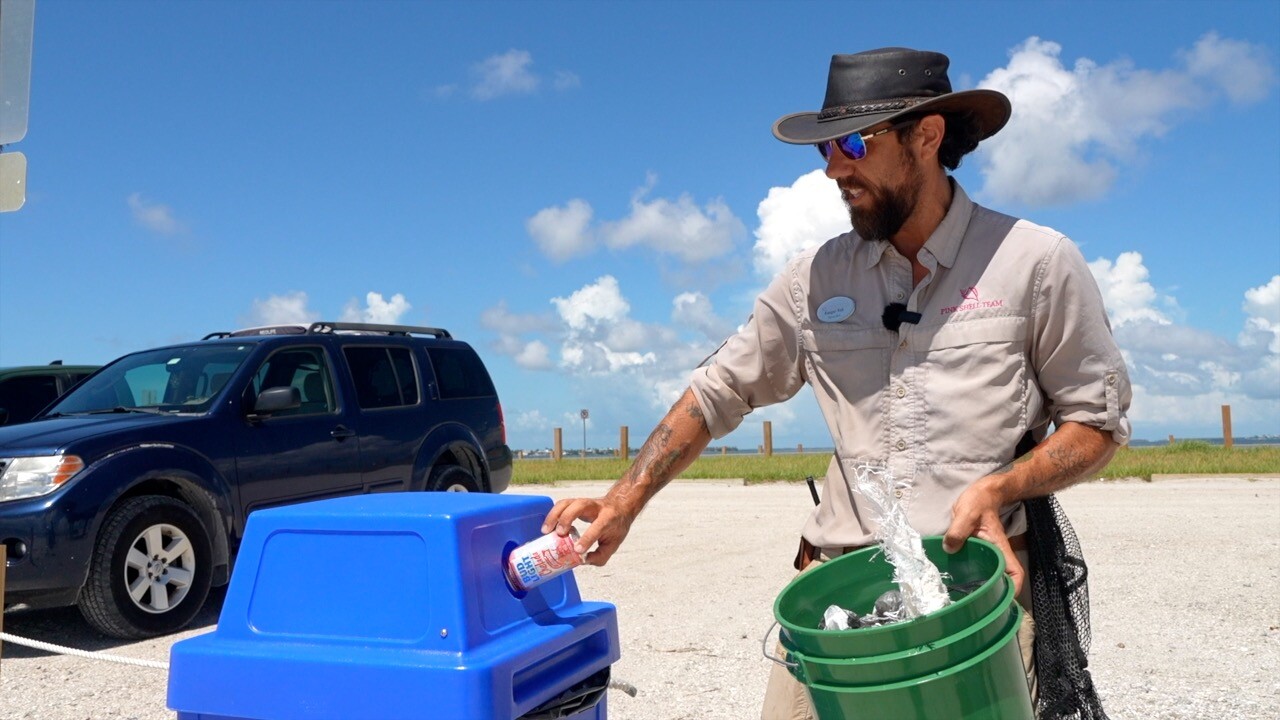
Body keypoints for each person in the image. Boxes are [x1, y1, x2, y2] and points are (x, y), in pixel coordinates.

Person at [542, 47, 1132, 720]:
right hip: (836, 601)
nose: (833, 168)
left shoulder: (1036, 262)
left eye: (854, 143)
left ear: (927, 136)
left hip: (976, 602)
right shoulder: (813, 278)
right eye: (825, 148)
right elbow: (716, 394)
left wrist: (1002, 488)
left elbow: (1097, 425)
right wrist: (623, 500)